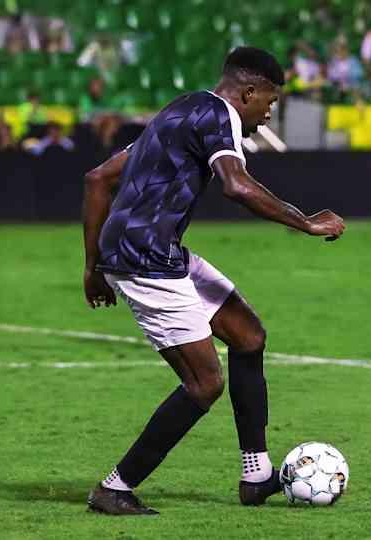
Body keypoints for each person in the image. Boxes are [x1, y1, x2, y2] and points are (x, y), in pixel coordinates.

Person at [81, 46, 345, 515]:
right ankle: (114, 489)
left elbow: (98, 179)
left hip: (152, 251)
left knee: (248, 336)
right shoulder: (218, 117)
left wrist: (94, 265)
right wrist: (305, 222)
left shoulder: (182, 110)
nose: (268, 114)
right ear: (248, 92)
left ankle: (256, 476)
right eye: (270, 102)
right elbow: (236, 185)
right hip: (146, 260)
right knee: (204, 384)